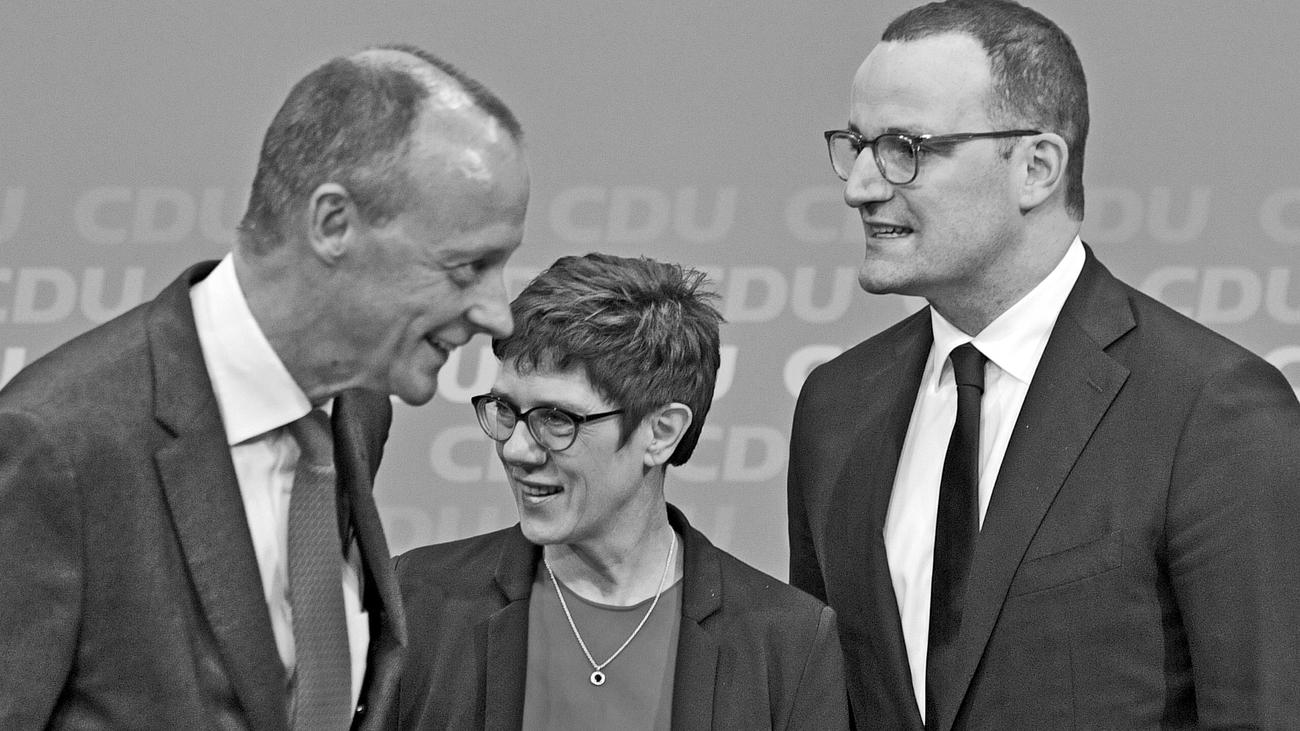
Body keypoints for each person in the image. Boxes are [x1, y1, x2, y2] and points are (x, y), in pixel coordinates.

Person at [787, 1, 1300, 728]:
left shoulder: (1213, 410)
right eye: (858, 145)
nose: (860, 186)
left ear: (1036, 167)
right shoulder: (837, 406)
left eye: (904, 147)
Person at [0, 45, 529, 730]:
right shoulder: (57, 446)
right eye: (467, 267)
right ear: (333, 224)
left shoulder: (358, 408)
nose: (497, 314)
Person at [394, 253, 849, 730]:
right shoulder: (415, 600)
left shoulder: (787, 642)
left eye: (556, 419)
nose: (516, 449)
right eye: (505, 410)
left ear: (661, 432)